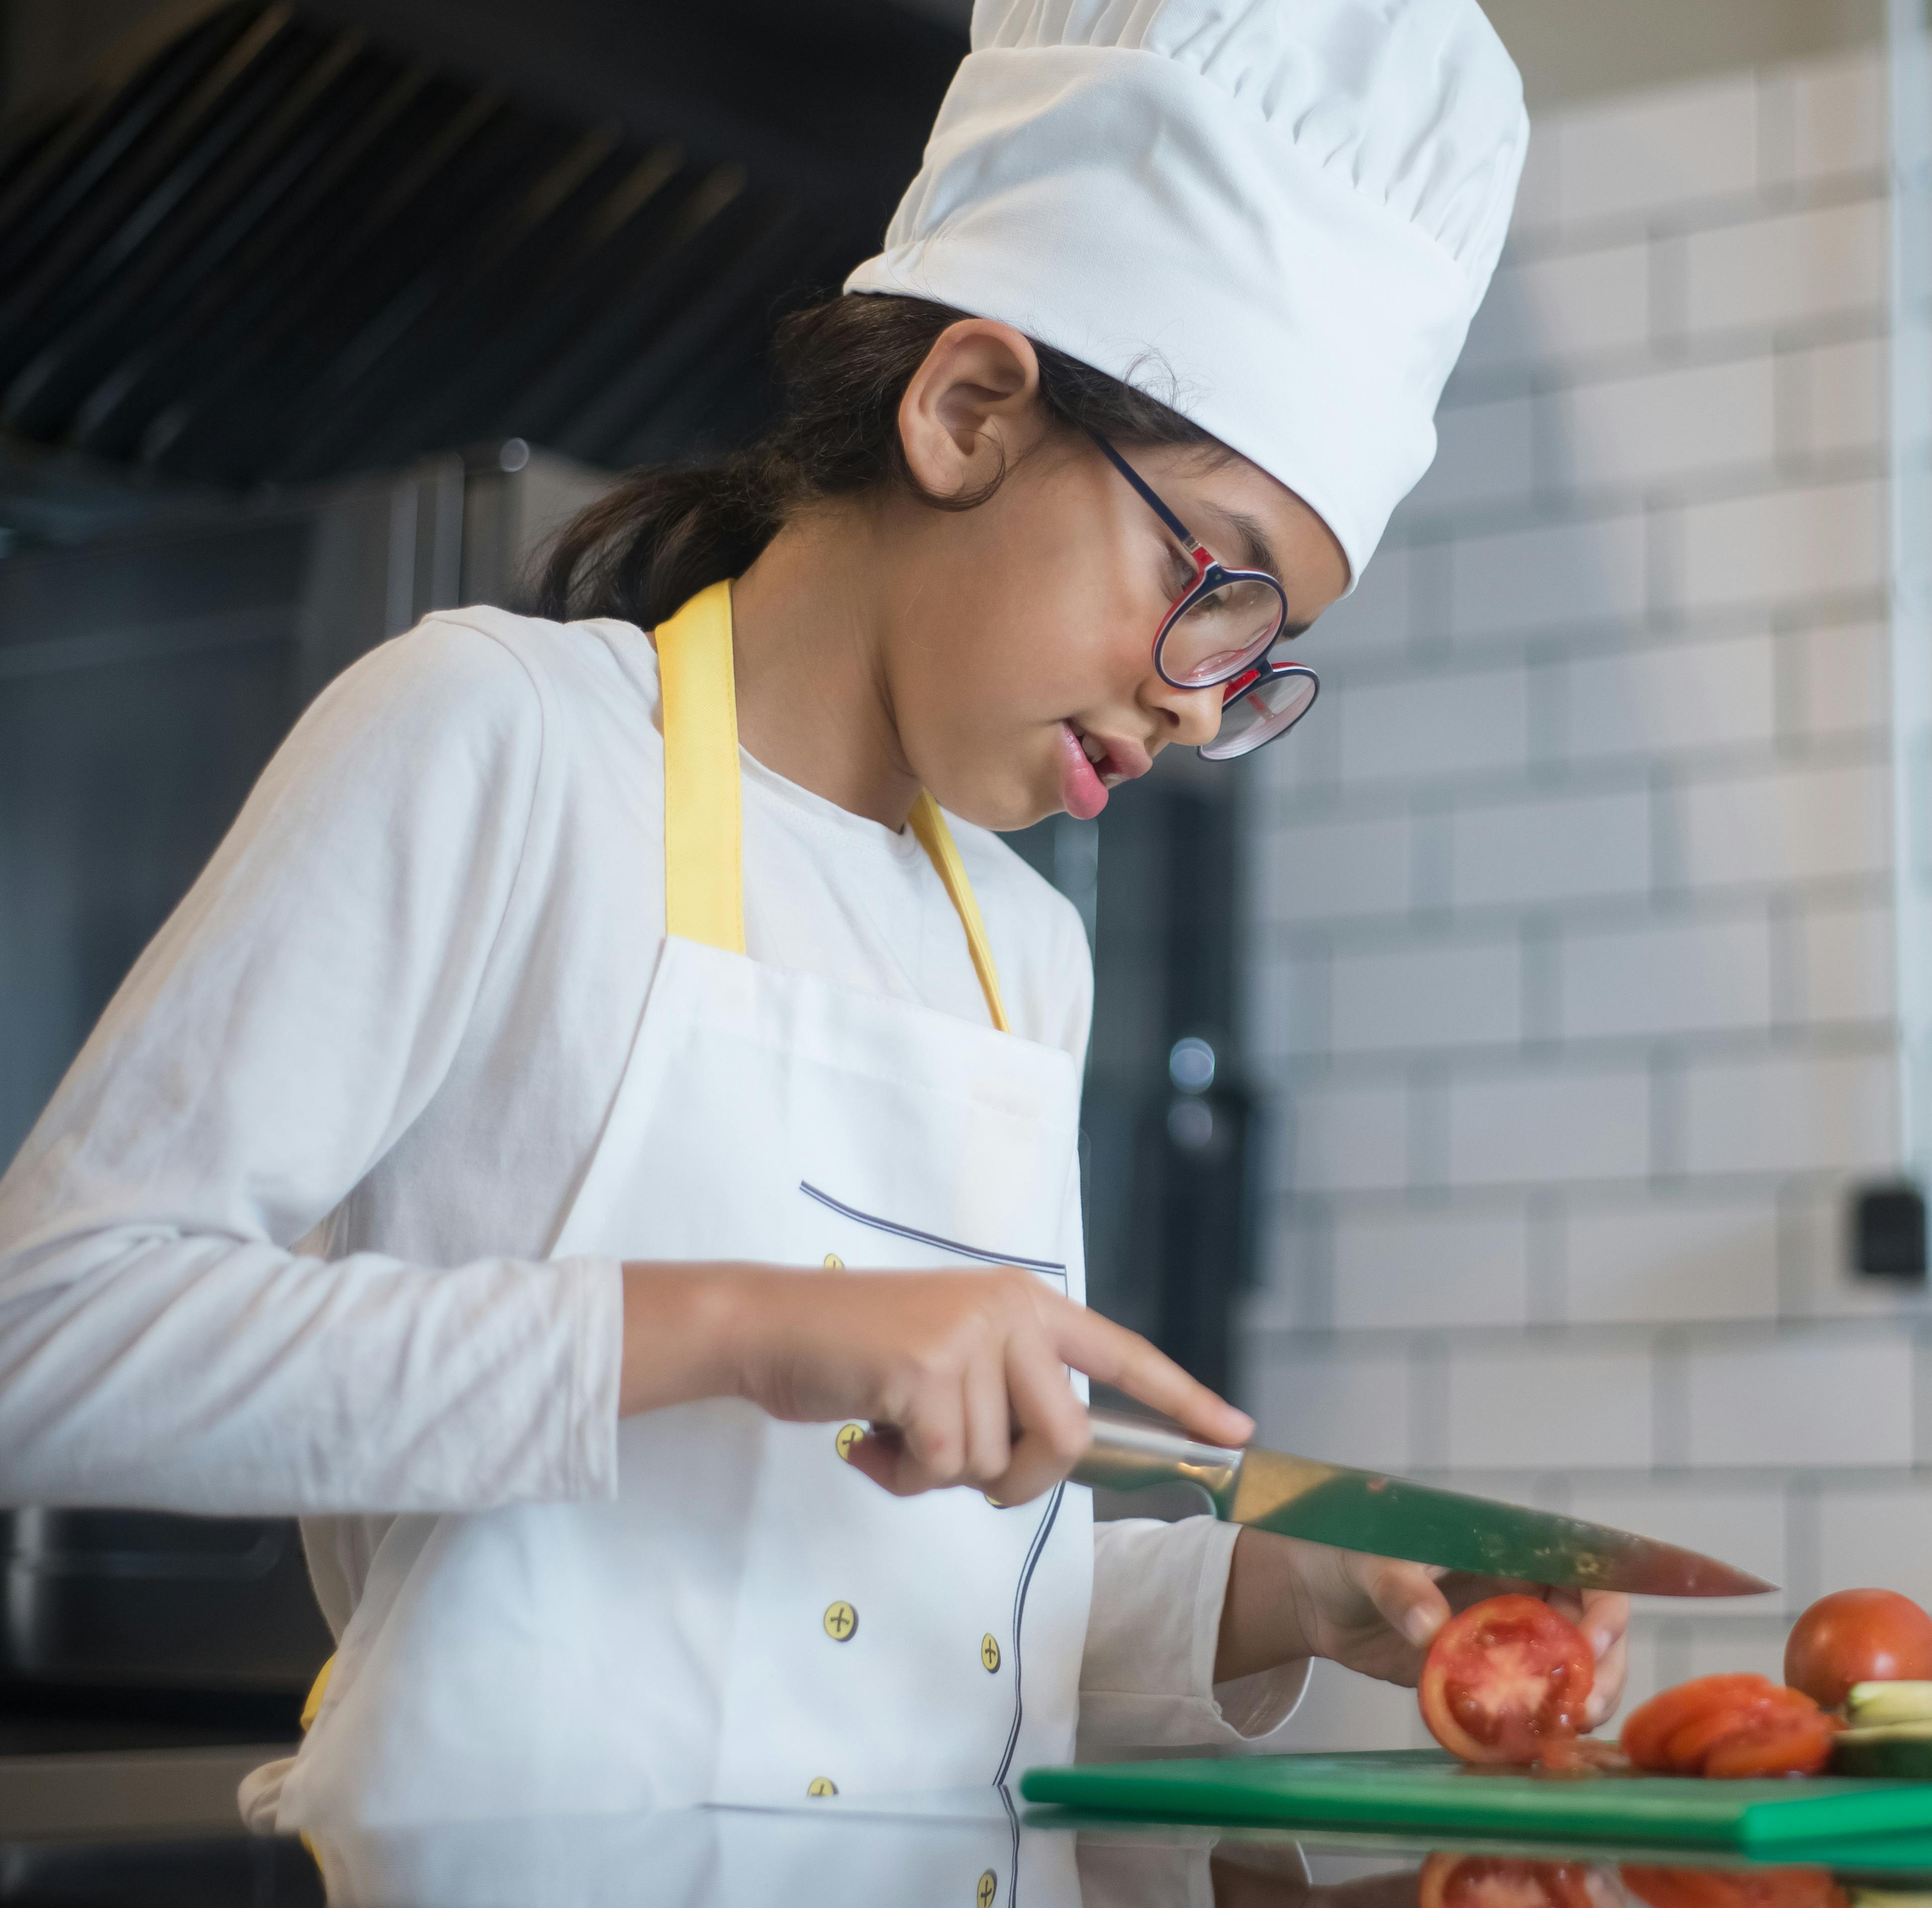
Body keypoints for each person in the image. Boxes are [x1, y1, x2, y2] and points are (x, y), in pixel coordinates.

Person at [0, 0, 1628, 1828]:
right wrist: (743, 1327)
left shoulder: (1026, 951)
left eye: (1265, 656)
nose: (1200, 703)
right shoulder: (502, 739)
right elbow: (46, 1343)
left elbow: (915, 1616)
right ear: (967, 411)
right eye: (1219, 587)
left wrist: (1297, 1587)